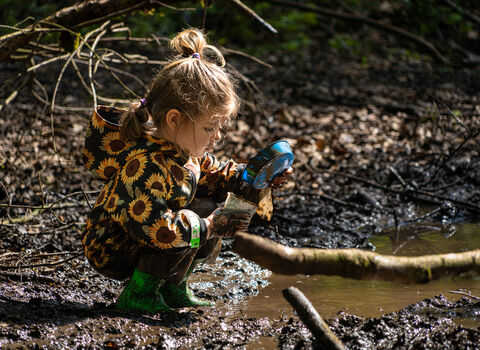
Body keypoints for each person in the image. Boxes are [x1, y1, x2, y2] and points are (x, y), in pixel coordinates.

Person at [81, 28, 293, 314]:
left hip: (151, 235)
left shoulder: (185, 154)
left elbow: (219, 176)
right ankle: (139, 294)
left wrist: (258, 178)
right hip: (114, 249)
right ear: (174, 119)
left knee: (207, 205)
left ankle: (171, 286)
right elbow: (157, 229)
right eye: (209, 128)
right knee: (199, 219)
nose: (217, 137)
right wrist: (209, 226)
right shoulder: (145, 165)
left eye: (220, 128)